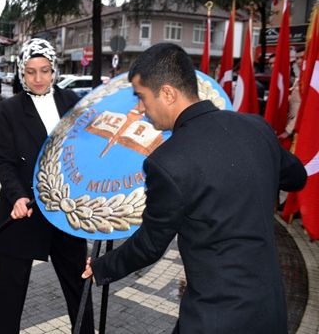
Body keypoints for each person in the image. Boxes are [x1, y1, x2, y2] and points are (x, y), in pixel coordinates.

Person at [81, 43, 307, 334]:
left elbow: (149, 246)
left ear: (167, 93)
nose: (140, 108)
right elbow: (297, 177)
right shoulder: (256, 128)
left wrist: (101, 267)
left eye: (141, 97)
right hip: (271, 310)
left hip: (214, 317)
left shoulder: (167, 162)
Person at [0, 38, 94, 333]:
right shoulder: (10, 108)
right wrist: (17, 197)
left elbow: (85, 153)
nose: (38, 78)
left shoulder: (72, 102)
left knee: (79, 287)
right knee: (10, 294)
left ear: (54, 70)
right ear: (22, 73)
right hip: (24, 211)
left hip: (64, 213)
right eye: (31, 71)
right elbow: (4, 162)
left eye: (45, 71)